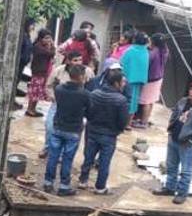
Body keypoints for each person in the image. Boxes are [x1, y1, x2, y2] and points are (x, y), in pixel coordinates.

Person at [155, 81, 192, 204]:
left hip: (187, 144)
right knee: (171, 166)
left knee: (186, 170)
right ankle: (169, 187)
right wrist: (171, 129)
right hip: (174, 138)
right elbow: (175, 114)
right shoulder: (183, 101)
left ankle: (182, 193)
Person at [78, 67, 129, 195]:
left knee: (88, 158)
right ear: (116, 83)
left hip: (93, 131)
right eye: (123, 82)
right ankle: (100, 187)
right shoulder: (121, 100)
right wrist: (118, 130)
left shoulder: (94, 94)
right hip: (109, 135)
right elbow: (123, 121)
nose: (124, 84)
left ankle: (83, 180)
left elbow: (88, 113)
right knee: (104, 162)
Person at [43, 63, 89, 196]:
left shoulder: (59, 89)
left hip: (58, 127)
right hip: (73, 130)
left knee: (53, 156)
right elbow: (89, 111)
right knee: (67, 159)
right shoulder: (85, 94)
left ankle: (48, 182)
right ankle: (64, 186)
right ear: (80, 77)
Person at [41, 50, 94, 157]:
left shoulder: (88, 72)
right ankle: (47, 148)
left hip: (77, 106)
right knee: (50, 126)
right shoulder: (59, 70)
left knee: (75, 131)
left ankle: (66, 155)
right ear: (68, 61)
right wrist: (54, 97)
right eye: (75, 60)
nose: (79, 62)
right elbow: (49, 85)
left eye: (80, 60)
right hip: (59, 103)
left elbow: (91, 89)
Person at [137, 32, 169, 128]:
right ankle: (146, 119)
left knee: (145, 101)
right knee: (151, 101)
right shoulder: (165, 50)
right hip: (159, 79)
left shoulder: (153, 53)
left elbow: (145, 62)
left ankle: (143, 122)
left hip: (150, 79)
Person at [120, 31, 150, 124]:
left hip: (128, 79)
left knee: (125, 101)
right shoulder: (145, 51)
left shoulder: (130, 50)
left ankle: (123, 123)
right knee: (134, 102)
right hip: (140, 80)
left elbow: (121, 63)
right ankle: (128, 123)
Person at [25, 28, 55, 117]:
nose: (48, 40)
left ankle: (32, 109)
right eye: (46, 38)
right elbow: (50, 54)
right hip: (38, 72)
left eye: (49, 38)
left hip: (42, 72)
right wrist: (52, 46)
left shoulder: (42, 46)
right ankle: (30, 109)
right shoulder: (38, 47)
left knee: (37, 92)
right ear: (41, 38)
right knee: (35, 92)